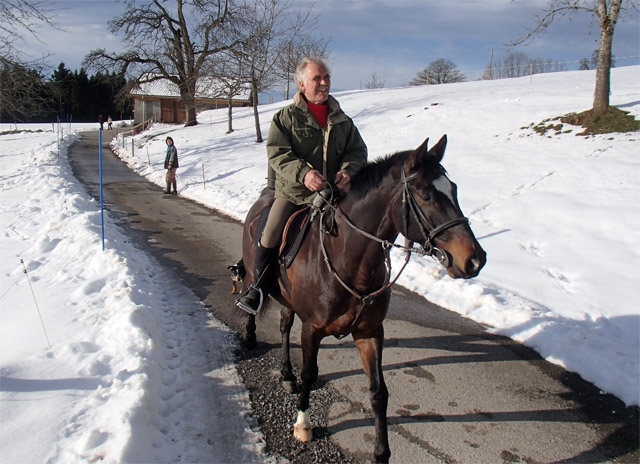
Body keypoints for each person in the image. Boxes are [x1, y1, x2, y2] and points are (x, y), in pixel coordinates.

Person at [236, 57, 368, 314]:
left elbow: (358, 151)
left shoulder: (342, 120)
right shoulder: (284, 118)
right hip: (295, 193)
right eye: (317, 78)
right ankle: (257, 289)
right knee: (270, 232)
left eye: (326, 78)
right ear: (301, 84)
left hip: (335, 194)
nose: (323, 82)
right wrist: (304, 174)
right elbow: (277, 153)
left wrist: (348, 171)